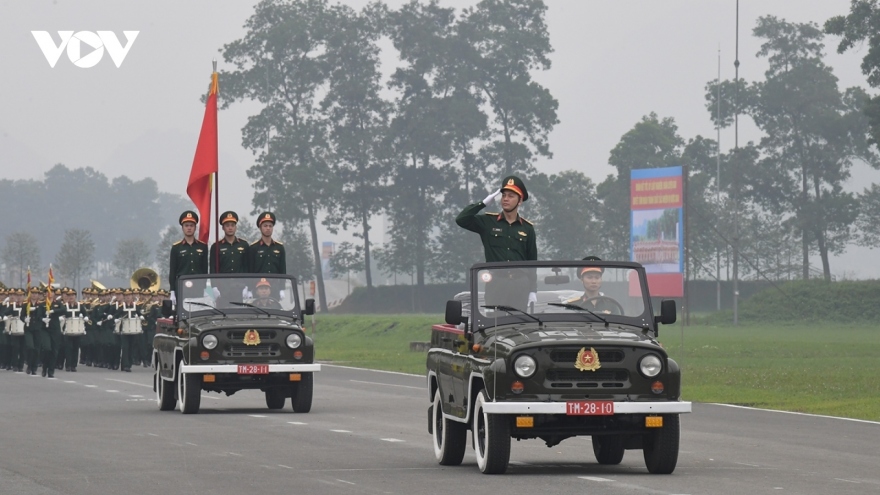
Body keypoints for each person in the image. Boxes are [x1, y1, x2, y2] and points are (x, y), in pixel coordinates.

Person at [456, 175, 538, 308]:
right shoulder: (488, 222)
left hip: (520, 284)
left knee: (519, 323)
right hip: (497, 283)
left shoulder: (527, 228)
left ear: (520, 201)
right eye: (504, 195)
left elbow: (532, 262)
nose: (505, 199)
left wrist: (533, 290)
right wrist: (482, 204)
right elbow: (461, 219)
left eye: (511, 196)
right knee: (494, 323)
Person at [169, 210, 209, 303]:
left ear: (195, 228)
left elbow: (204, 268)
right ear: (182, 228)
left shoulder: (202, 246)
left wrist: (204, 286)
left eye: (191, 225)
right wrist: (172, 291)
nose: (189, 228)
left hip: (198, 285)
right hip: (181, 285)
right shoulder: (176, 247)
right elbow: (173, 271)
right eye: (186, 225)